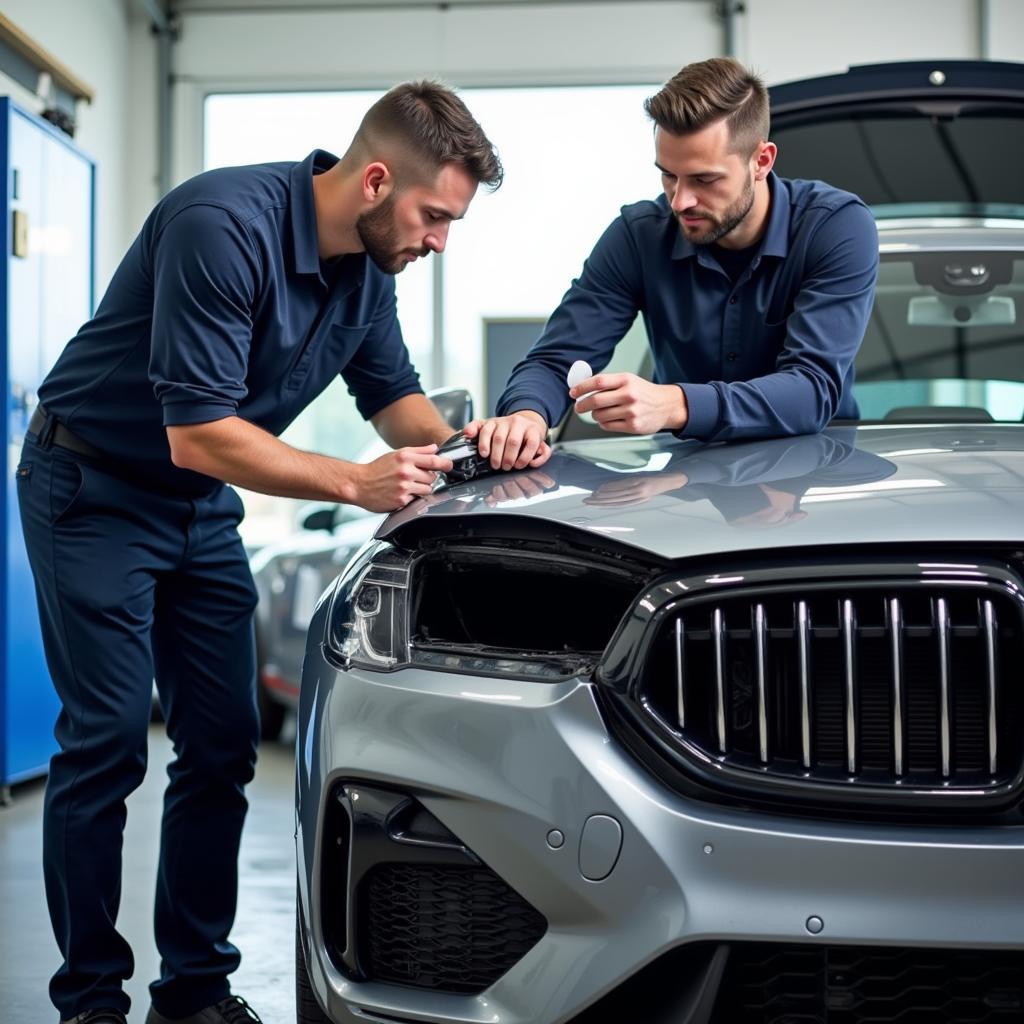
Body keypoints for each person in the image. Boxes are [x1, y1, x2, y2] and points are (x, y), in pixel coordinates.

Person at [17, 81, 501, 1024]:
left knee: (224, 744)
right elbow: (196, 432)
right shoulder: (220, 225)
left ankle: (193, 991)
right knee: (108, 743)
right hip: (93, 489)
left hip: (196, 507)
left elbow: (397, 404)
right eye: (435, 215)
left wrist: (491, 441)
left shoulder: (368, 276)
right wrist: (355, 484)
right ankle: (89, 1002)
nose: (441, 239)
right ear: (373, 181)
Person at [463, 56, 879, 470]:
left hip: (818, 479)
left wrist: (677, 403)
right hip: (682, 495)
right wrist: (527, 416)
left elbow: (812, 389)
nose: (680, 201)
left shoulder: (835, 228)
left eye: (704, 179)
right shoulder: (638, 236)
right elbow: (556, 360)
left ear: (762, 161)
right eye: (668, 176)